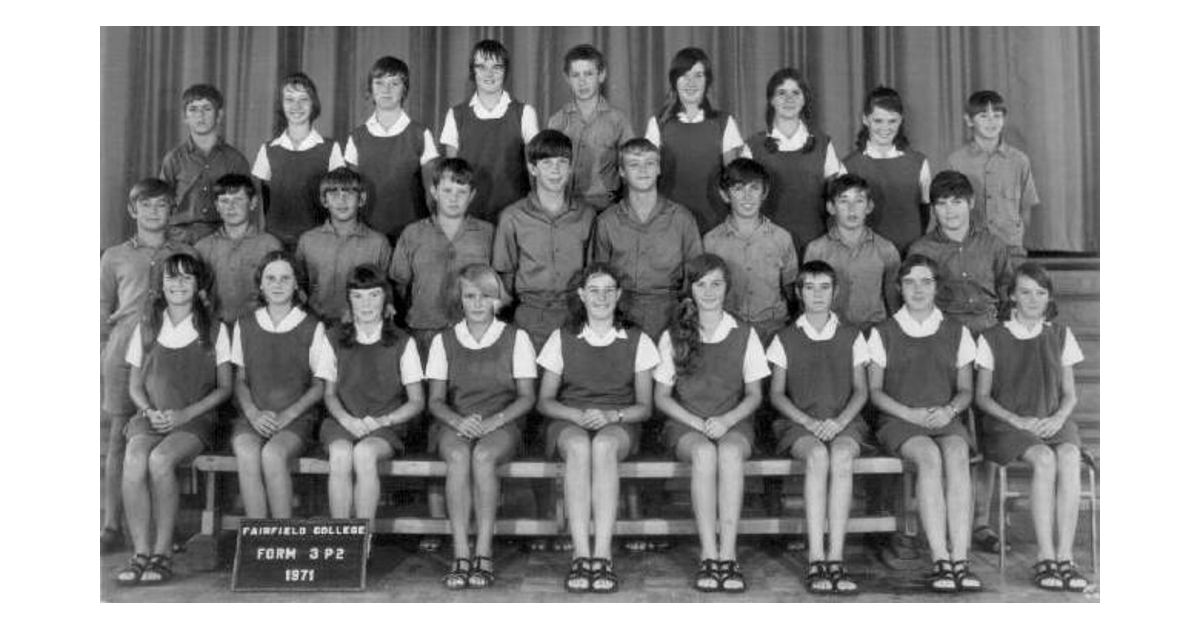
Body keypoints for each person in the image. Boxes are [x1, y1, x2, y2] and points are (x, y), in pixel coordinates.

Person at [908, 170, 1013, 554]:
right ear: (932, 208)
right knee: (951, 431)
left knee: (988, 429)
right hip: (944, 345)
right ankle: (937, 517)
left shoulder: (993, 244)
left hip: (987, 341)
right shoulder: (923, 247)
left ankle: (980, 521)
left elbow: (1006, 292)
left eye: (956, 201)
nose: (949, 211)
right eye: (941, 203)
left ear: (970, 203)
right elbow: (916, 301)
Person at [537, 263, 658, 594]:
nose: (601, 298)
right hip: (570, 419)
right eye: (594, 291)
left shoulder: (638, 339)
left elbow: (645, 407)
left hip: (619, 421)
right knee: (578, 447)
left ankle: (602, 554)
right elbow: (545, 401)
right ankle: (581, 554)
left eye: (608, 291)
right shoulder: (562, 337)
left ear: (619, 295)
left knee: (603, 447)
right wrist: (576, 416)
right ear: (581, 295)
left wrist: (612, 416)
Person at [654, 254, 769, 593]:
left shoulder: (744, 334)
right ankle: (708, 553)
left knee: (730, 454)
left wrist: (727, 420)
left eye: (716, 283)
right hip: (687, 425)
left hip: (733, 422)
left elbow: (754, 395)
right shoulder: (673, 335)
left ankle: (728, 554)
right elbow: (662, 397)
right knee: (705, 454)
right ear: (690, 289)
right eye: (701, 284)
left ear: (727, 288)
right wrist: (698, 422)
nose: (708, 291)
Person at [866, 255, 981, 593]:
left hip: (943, 417)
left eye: (926, 282)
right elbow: (874, 391)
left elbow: (966, 390)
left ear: (936, 287)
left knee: (957, 453)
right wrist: (910, 414)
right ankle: (940, 559)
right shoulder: (883, 332)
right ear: (899, 288)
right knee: (929, 458)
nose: (918, 289)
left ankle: (961, 559)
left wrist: (950, 410)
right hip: (900, 420)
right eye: (910, 282)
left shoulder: (956, 331)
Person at [116, 253, 231, 586]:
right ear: (161, 285)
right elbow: (135, 386)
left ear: (197, 286)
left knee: (161, 459)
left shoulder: (214, 328)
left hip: (194, 418)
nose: (178, 285)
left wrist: (185, 414)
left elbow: (224, 388)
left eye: (186, 278)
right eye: (171, 278)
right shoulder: (147, 326)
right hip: (151, 415)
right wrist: (150, 411)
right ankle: (140, 552)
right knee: (135, 458)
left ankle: (162, 552)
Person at [974, 262, 1090, 591]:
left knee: (1068, 455)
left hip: (1053, 418)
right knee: (1044, 459)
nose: (1033, 299)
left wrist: (1057, 418)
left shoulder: (1061, 334)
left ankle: (1065, 557)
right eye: (1025, 292)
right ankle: (1045, 556)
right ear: (1012, 296)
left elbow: (1069, 394)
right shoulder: (992, 337)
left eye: (1040, 292)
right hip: (1008, 424)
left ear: (1048, 296)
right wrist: (1017, 420)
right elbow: (982, 397)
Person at [426, 264, 537, 590]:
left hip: (502, 422)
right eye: (470, 296)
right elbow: (435, 400)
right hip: (455, 421)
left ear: (497, 299)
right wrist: (458, 421)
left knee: (483, 457)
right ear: (459, 298)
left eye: (485, 296)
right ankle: (461, 553)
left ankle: (484, 551)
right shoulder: (443, 340)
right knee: (460, 457)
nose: (477, 304)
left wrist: (493, 422)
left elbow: (527, 397)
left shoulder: (516, 338)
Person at [100, 178, 197, 554]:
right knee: (118, 438)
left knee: (159, 434)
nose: (154, 212)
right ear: (132, 210)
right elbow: (100, 306)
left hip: (167, 356)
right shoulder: (115, 256)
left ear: (172, 210)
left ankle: (162, 527)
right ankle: (111, 523)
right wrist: (102, 349)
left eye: (162, 205)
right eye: (146, 205)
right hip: (123, 351)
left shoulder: (186, 253)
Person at [766, 260, 870, 595]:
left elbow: (861, 390)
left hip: (844, 420)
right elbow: (777, 394)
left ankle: (836, 557)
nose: (817, 294)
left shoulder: (852, 336)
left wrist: (840, 421)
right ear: (799, 292)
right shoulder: (784, 338)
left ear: (835, 291)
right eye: (809, 288)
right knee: (816, 457)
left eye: (824, 287)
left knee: (840, 456)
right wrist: (807, 421)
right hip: (798, 423)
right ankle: (815, 557)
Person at [317, 265, 425, 526]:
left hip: (385, 424)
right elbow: (329, 394)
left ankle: (364, 539)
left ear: (385, 298)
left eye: (373, 295)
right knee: (341, 455)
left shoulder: (402, 342)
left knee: (365, 454)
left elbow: (416, 401)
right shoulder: (333, 338)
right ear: (349, 300)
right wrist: (348, 421)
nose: (366, 304)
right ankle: (341, 536)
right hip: (344, 421)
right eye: (358, 296)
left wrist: (383, 421)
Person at [230, 251, 327, 519]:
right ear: (260, 283)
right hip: (254, 416)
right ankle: (258, 537)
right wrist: (252, 413)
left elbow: (319, 386)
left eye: (286, 278)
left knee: (273, 454)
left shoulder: (311, 326)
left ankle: (281, 534)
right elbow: (239, 380)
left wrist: (288, 415)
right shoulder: (245, 324)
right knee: (247, 451)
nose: (278, 284)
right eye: (270, 278)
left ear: (297, 284)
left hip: (295, 418)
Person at [492, 129, 595, 349]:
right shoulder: (512, 217)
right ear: (532, 168)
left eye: (562, 162)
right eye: (547, 163)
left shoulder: (587, 215)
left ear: (570, 168)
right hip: (529, 316)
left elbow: (592, 271)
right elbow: (505, 273)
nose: (555, 171)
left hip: (575, 314)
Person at [591, 138, 702, 341]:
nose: (643, 170)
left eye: (650, 163)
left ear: (659, 168)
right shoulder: (606, 221)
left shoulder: (682, 218)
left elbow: (696, 275)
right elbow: (599, 276)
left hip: (670, 315)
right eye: (634, 164)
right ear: (622, 172)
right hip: (620, 313)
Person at [390, 157, 494, 359]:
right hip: (424, 331)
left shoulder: (487, 233)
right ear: (434, 192)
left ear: (472, 195)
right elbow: (399, 285)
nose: (453, 198)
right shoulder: (412, 234)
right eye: (447, 191)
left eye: (461, 192)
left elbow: (497, 284)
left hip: (473, 330)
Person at [744, 68, 844, 255]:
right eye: (781, 93)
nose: (789, 99)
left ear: (804, 99)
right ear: (771, 100)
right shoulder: (752, 147)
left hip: (815, 244)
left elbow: (838, 197)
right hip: (765, 247)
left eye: (795, 93)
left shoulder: (823, 144)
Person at [646, 47, 746, 235]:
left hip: (715, 222)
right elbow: (649, 179)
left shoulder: (724, 122)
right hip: (668, 224)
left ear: (707, 81)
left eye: (698, 75)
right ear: (674, 80)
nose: (691, 82)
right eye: (684, 75)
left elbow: (733, 180)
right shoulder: (658, 124)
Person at [440, 39, 539, 223]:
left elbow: (535, 169)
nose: (489, 73)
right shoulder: (455, 115)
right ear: (473, 71)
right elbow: (452, 174)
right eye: (481, 67)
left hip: (515, 217)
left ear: (505, 71)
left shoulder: (525, 113)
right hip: (469, 217)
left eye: (497, 67)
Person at [342, 56, 440, 241]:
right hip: (366, 237)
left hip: (413, 237)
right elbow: (349, 194)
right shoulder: (356, 138)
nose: (386, 90)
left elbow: (432, 193)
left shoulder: (420, 134)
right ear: (370, 89)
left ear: (405, 89)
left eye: (394, 83)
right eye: (379, 83)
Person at [702, 157, 799, 343]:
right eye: (738, 189)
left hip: (772, 330)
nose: (747, 197)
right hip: (728, 329)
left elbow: (791, 289)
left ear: (764, 192)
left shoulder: (782, 238)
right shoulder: (711, 241)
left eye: (754, 188)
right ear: (725, 194)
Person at [251, 72, 345, 248]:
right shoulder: (268, 150)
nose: (297, 106)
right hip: (276, 242)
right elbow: (263, 201)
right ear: (281, 104)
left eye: (304, 99)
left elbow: (339, 198)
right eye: (289, 99)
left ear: (313, 104)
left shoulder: (331, 148)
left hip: (319, 243)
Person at [947, 90, 1039, 261]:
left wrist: (1014, 236)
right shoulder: (956, 161)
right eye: (983, 116)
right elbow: (950, 208)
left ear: (1004, 119)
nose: (991, 122)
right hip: (970, 249)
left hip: (1010, 249)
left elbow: (1026, 209)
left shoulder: (1019, 160)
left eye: (997, 115)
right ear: (968, 120)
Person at [803, 173, 901, 333]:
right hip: (831, 332)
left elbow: (893, 299)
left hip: (875, 331)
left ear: (869, 207)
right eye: (843, 201)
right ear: (831, 207)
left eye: (859, 201)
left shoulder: (886, 249)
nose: (852, 208)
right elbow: (807, 298)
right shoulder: (816, 249)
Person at [295, 166, 392, 323]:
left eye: (349, 193)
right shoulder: (308, 241)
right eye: (334, 193)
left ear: (361, 199)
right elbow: (298, 287)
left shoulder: (378, 243)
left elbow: (387, 292)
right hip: (316, 324)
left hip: (361, 326)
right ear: (324, 200)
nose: (341, 200)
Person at [545, 44, 634, 211]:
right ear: (567, 78)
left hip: (607, 208)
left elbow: (630, 169)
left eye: (588, 74)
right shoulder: (556, 122)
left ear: (601, 75)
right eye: (576, 75)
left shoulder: (618, 120)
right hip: (567, 208)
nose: (582, 82)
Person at [159, 83, 252, 244]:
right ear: (185, 117)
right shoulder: (173, 159)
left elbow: (247, 205)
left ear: (219, 115)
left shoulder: (235, 159)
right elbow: (162, 204)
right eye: (193, 109)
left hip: (223, 239)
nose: (200, 116)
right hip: (181, 239)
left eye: (207, 109)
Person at [842, 86, 930, 254]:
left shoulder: (918, 162)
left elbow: (925, 212)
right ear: (865, 120)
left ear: (901, 120)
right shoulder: (848, 166)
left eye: (892, 121)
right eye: (878, 121)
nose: (885, 128)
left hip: (910, 254)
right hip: (865, 254)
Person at [194, 173, 282, 325]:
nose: (231, 207)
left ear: (253, 203)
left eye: (238, 200)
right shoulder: (202, 247)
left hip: (258, 328)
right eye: (224, 201)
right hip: (215, 329)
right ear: (216, 206)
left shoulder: (270, 245)